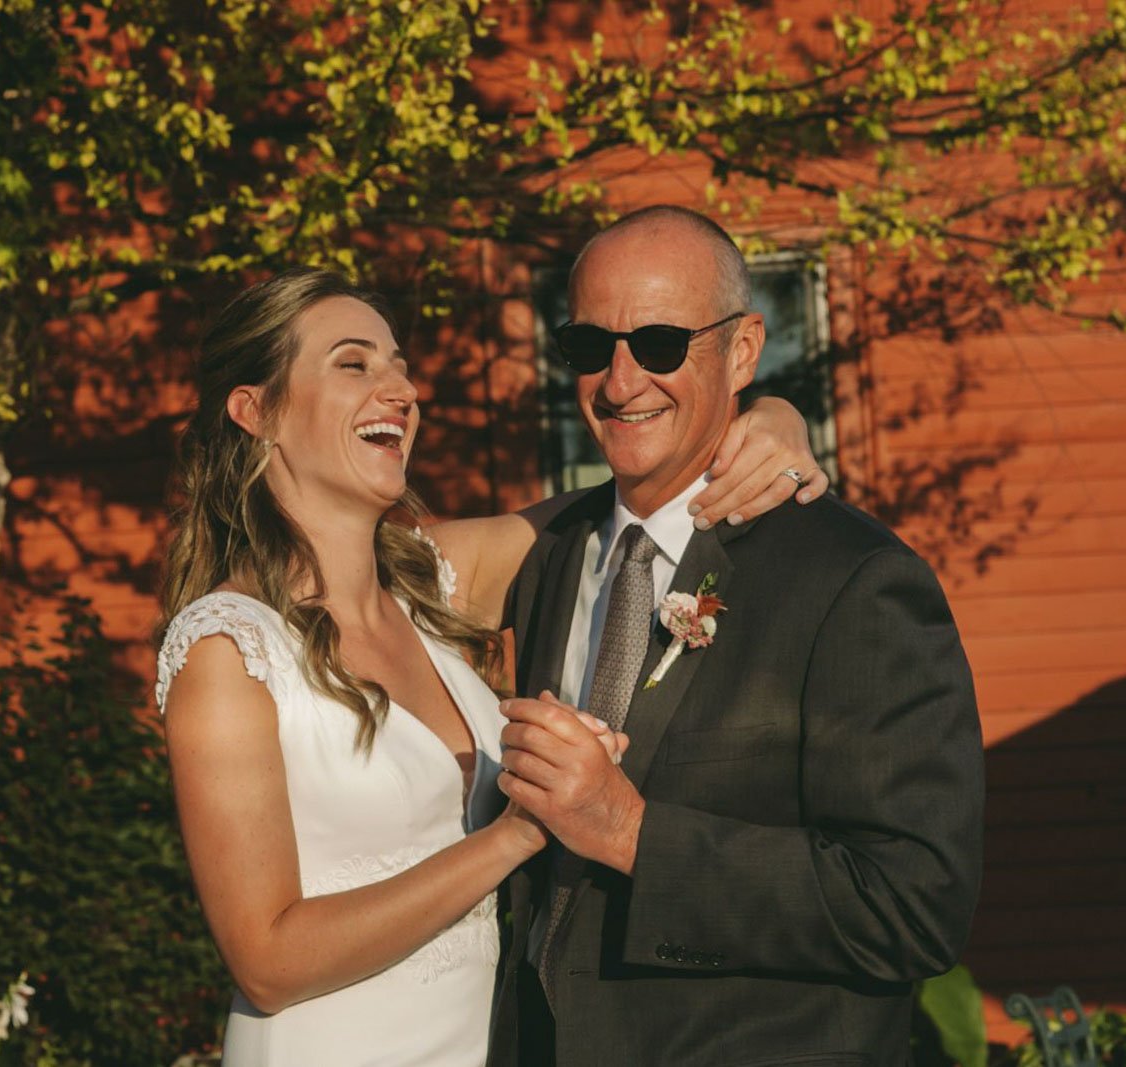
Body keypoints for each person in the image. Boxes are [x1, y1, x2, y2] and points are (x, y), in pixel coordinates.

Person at [155, 267, 826, 1066]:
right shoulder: (229, 651)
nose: (400, 388)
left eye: (398, 364)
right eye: (354, 363)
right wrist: (518, 835)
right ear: (254, 409)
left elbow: (634, 497)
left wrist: (770, 418)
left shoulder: (429, 586)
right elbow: (265, 961)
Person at [486, 206, 985, 1066]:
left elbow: (911, 904)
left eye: (661, 343)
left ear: (745, 350)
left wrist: (632, 830)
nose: (619, 379)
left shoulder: (852, 580)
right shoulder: (544, 560)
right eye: (587, 346)